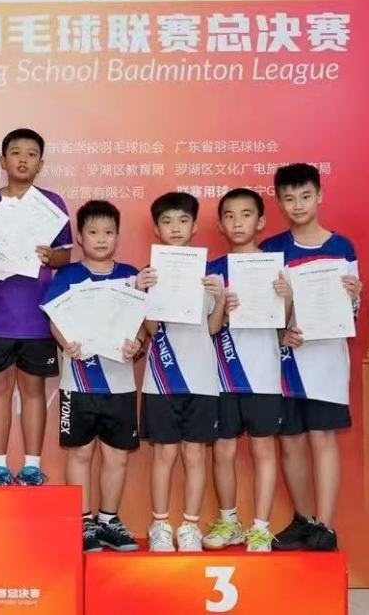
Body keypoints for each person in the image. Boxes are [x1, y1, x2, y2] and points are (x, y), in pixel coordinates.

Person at [261, 164, 361, 552]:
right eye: (289, 198)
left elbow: (351, 314)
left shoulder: (342, 247)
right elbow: (262, 311)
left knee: (323, 440)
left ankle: (325, 524)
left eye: (305, 196)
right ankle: (303, 519)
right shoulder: (270, 249)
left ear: (319, 195)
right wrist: (280, 332)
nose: (298, 205)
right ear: (279, 202)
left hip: (327, 363)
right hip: (285, 362)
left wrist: (354, 297)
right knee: (290, 442)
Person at [41, 200, 143, 552]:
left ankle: (108, 520)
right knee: (80, 454)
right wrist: (65, 342)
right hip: (79, 381)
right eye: (93, 232)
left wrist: (137, 344)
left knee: (117, 456)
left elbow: (142, 322)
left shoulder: (131, 276)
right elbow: (54, 318)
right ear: (81, 238)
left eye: (109, 232)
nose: (101, 238)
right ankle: (83, 522)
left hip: (120, 382)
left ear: (118, 236)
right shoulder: (68, 276)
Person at [0, 128, 72, 486]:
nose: (23, 159)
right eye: (16, 152)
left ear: (40, 163)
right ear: (3, 161)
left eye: (31, 154)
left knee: (33, 391)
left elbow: (65, 256)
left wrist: (50, 256)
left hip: (37, 318)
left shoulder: (52, 204)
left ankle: (32, 466)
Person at [202, 188, 288, 553]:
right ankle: (229, 521)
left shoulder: (276, 268)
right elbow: (206, 328)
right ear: (221, 224)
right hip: (221, 376)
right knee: (222, 452)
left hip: (264, 374)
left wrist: (288, 299)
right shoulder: (210, 271)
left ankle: (261, 528)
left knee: (263, 450)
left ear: (261, 221)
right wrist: (220, 305)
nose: (238, 223)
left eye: (246, 215)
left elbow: (286, 330)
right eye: (230, 216)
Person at [139, 192, 225, 552]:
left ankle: (190, 526)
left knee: (194, 455)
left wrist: (220, 299)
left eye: (183, 220)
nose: (175, 228)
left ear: (194, 227)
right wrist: (143, 295)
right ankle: (160, 525)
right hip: (162, 378)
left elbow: (213, 329)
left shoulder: (209, 276)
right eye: (167, 221)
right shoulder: (149, 275)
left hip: (202, 379)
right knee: (164, 455)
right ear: (157, 229)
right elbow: (151, 330)